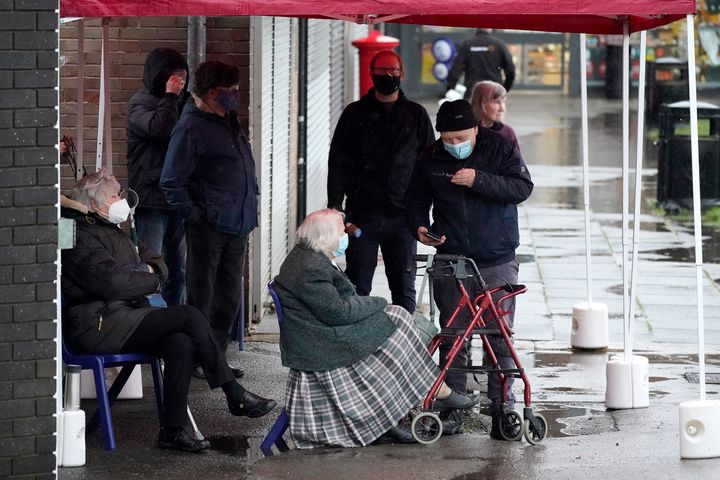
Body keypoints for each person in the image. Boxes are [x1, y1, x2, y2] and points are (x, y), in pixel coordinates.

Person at [61, 169, 276, 453]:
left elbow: (156, 261)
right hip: (96, 325)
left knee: (181, 342)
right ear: (97, 203)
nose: (120, 201)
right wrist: (147, 276)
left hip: (123, 316)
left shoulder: (115, 231)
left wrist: (144, 272)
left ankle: (173, 431)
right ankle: (233, 393)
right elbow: (113, 283)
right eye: (114, 195)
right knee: (187, 315)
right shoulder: (80, 236)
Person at [273, 209, 478, 448]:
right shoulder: (310, 267)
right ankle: (435, 391)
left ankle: (428, 393)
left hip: (321, 330)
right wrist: (377, 302)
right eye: (342, 232)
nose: (345, 236)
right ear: (325, 237)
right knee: (397, 328)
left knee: (400, 317)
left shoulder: (309, 256)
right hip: (322, 340)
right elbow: (337, 312)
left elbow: (336, 307)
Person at [405, 100, 533, 439]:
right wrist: (420, 227)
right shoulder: (431, 157)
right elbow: (415, 198)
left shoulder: (500, 148)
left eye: (460, 136)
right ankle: (453, 407)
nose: (454, 144)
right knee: (453, 333)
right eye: (448, 138)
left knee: (499, 335)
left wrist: (480, 180)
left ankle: (502, 406)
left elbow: (522, 188)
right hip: (453, 257)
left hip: (496, 257)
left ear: (476, 129)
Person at [161, 60, 258, 379]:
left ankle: (214, 359)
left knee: (228, 299)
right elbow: (171, 181)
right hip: (210, 228)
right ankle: (197, 360)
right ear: (214, 92)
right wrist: (198, 217)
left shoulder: (228, 120)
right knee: (202, 297)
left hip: (237, 224)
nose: (236, 96)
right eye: (232, 91)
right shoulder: (190, 128)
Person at [327, 49, 435, 313]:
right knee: (356, 287)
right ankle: (356, 346)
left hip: (402, 217)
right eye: (381, 72)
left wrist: (424, 212)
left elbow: (429, 164)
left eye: (392, 71)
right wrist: (335, 206)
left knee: (403, 289)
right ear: (371, 75)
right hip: (362, 216)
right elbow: (338, 161)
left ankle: (405, 347)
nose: (387, 76)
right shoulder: (354, 114)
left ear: (402, 74)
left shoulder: (416, 115)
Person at [127, 48, 190, 307]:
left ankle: (176, 319)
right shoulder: (139, 104)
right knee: (152, 267)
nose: (181, 85)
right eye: (175, 80)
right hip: (151, 200)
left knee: (179, 270)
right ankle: (149, 319)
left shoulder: (181, 103)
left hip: (176, 199)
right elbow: (160, 129)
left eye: (184, 80)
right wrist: (170, 97)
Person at [446, 29, 516, 100]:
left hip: (473, 94)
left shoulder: (467, 44)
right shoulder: (499, 45)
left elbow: (456, 70)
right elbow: (510, 70)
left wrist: (450, 89)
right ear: (490, 29)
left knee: (472, 110)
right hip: (494, 93)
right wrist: (504, 89)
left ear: (476, 28)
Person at [470, 80, 520, 152]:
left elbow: (517, 162)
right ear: (480, 103)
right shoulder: (465, 133)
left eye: (503, 101)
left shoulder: (507, 132)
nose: (502, 109)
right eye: (496, 102)